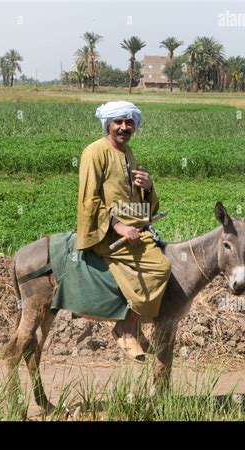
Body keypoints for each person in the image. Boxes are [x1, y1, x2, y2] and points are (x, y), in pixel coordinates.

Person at [76, 101, 171, 362]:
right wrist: (118, 227)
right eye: (118, 122)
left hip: (133, 228)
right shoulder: (94, 152)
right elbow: (89, 200)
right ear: (108, 124)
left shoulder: (128, 153)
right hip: (106, 234)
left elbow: (138, 202)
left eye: (129, 122)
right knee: (160, 268)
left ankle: (134, 326)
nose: (124, 127)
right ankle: (124, 327)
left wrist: (148, 187)